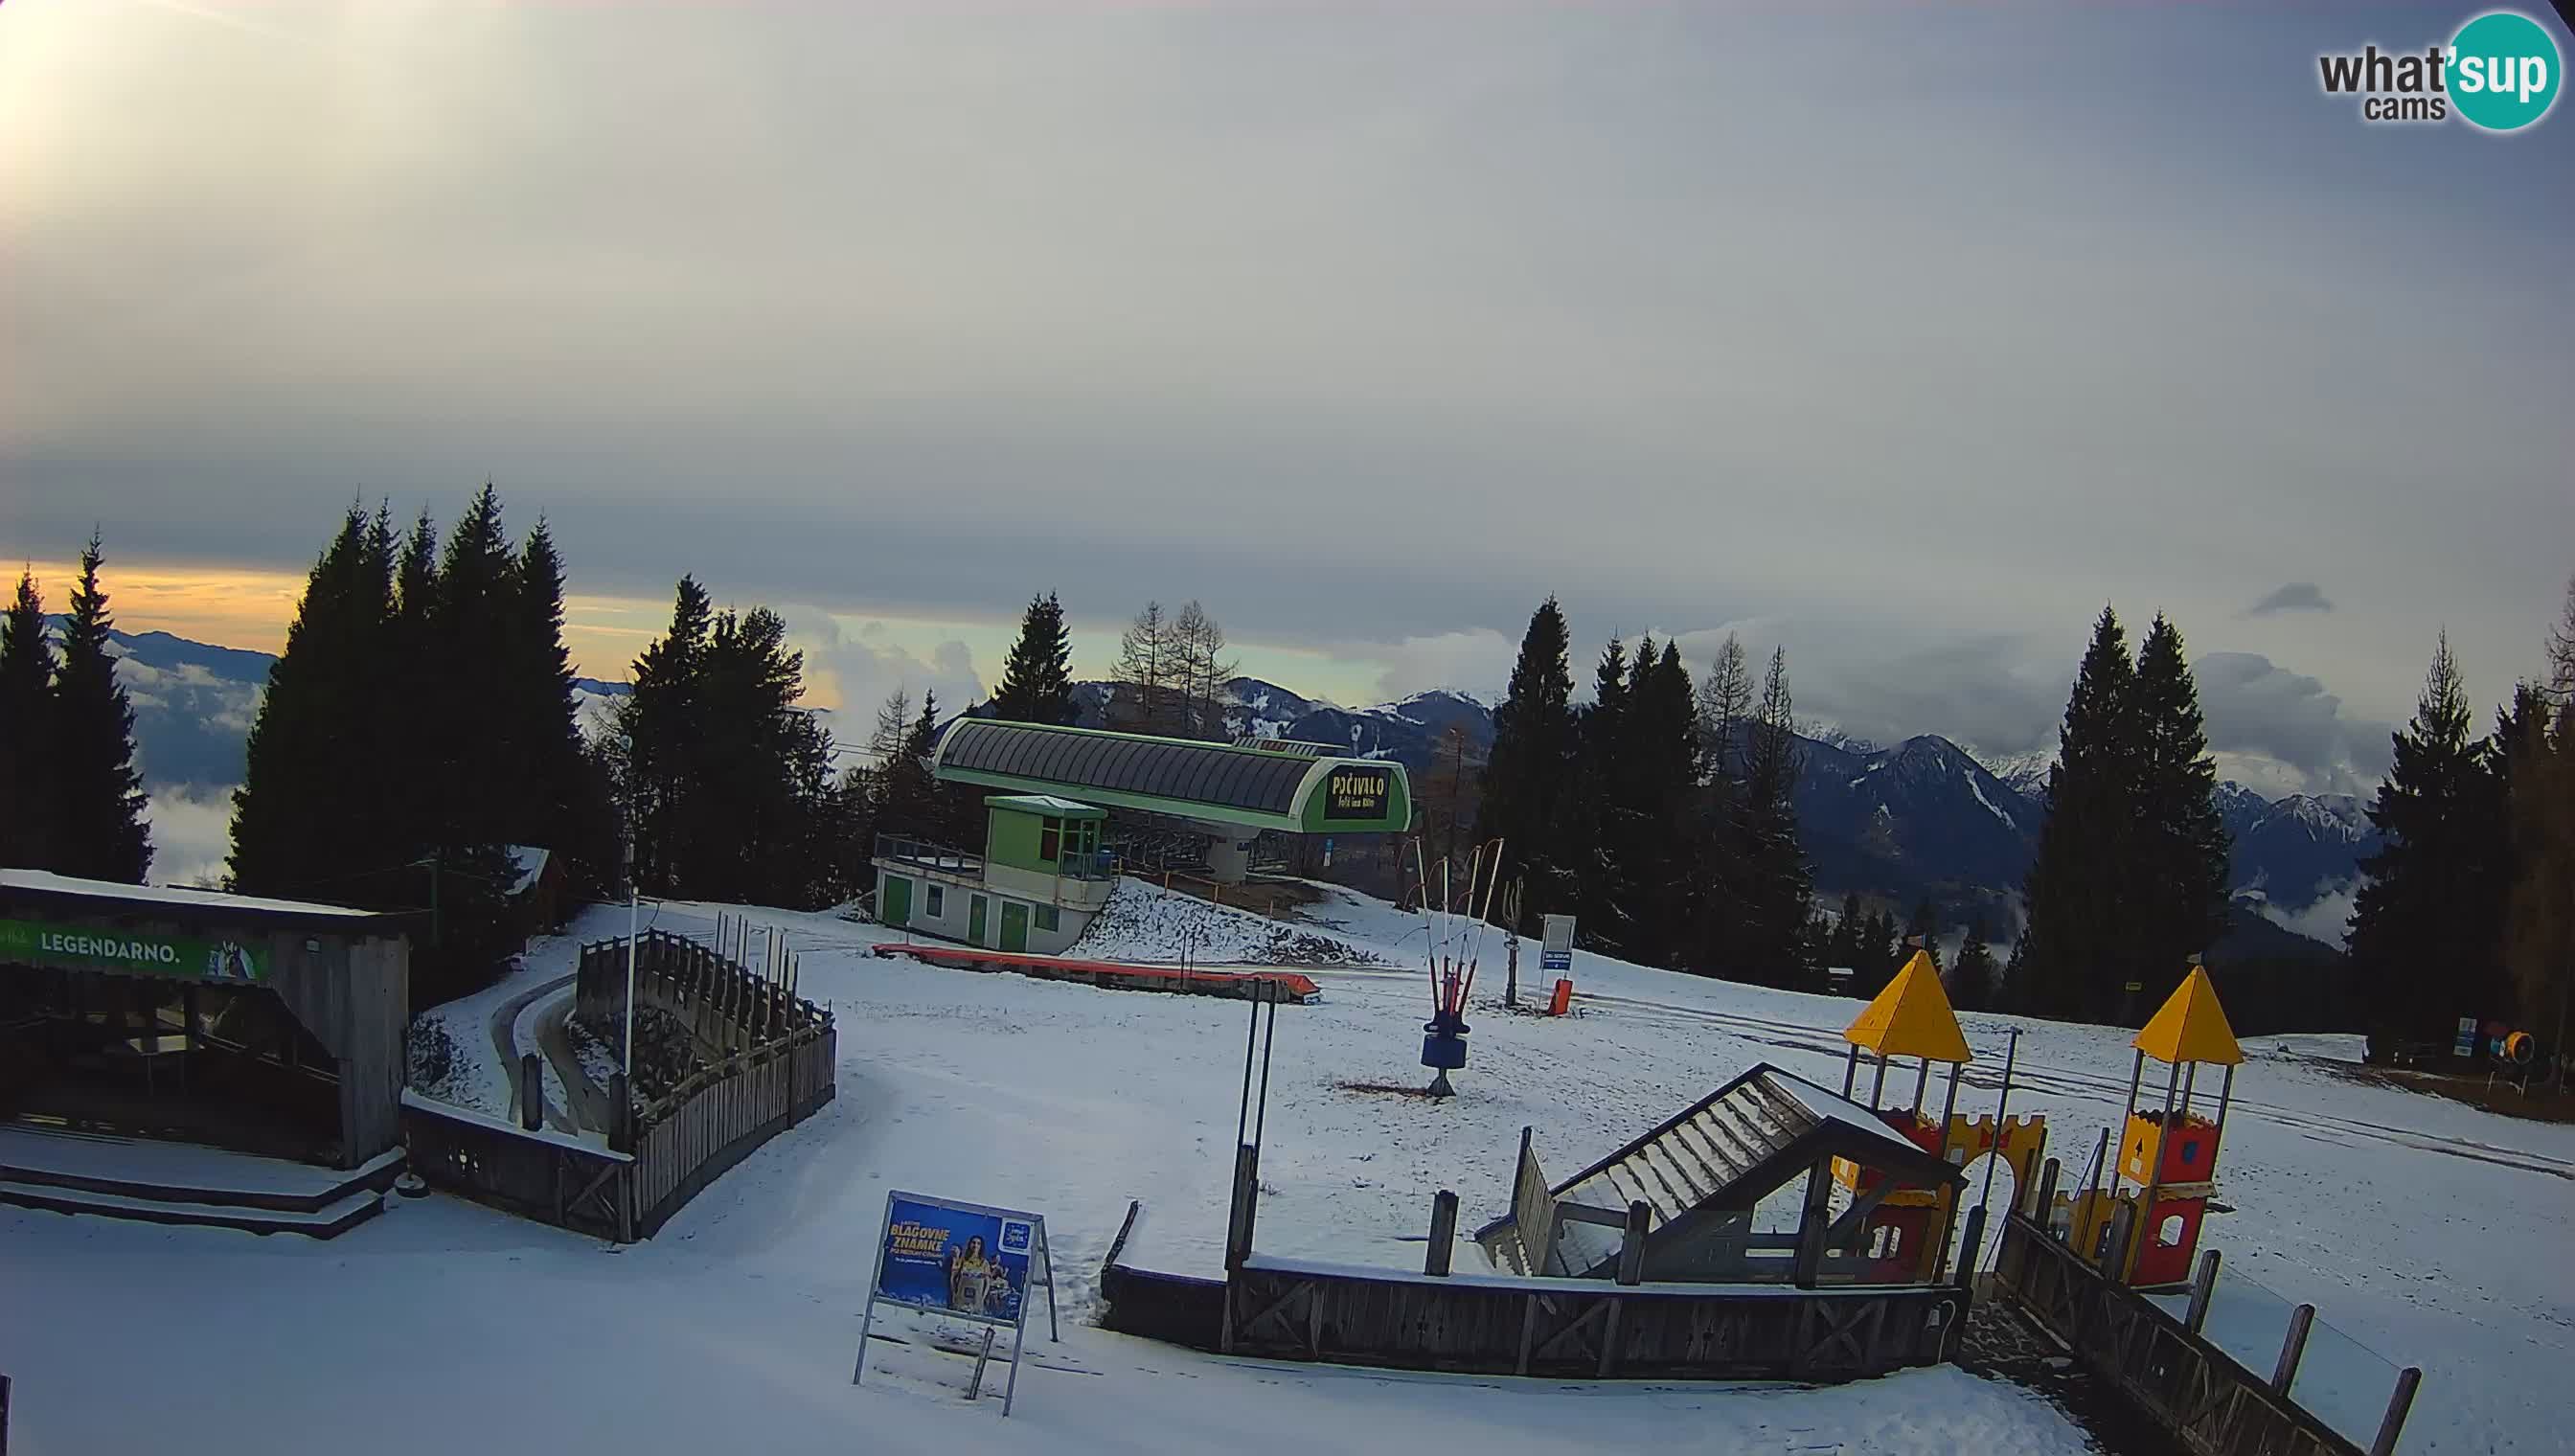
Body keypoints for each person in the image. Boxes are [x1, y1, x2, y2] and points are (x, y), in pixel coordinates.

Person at [946, 1235, 993, 1314]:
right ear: (969, 1244)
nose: (975, 1245)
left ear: (981, 1247)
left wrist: (982, 1299)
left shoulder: (985, 1263)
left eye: (978, 1243)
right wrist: (954, 1293)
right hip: (961, 1299)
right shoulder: (962, 1261)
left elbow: (987, 1284)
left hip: (976, 1300)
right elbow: (953, 1278)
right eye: (973, 1243)